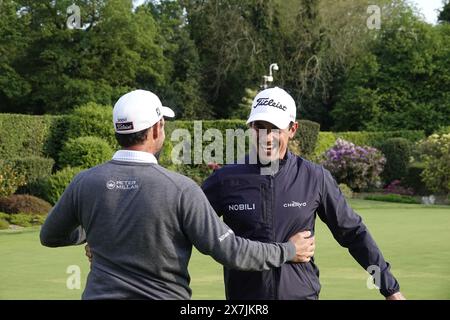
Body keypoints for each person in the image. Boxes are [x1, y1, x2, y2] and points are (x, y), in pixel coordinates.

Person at [40, 89, 314, 300]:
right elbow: (230, 251)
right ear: (158, 128)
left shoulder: (84, 182)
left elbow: (50, 236)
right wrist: (288, 250)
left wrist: (92, 236)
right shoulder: (181, 189)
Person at [202, 86, 406, 300]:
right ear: (250, 128)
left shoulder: (314, 177)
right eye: (259, 127)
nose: (267, 137)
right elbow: (187, 226)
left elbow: (353, 233)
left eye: (275, 128)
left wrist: (390, 289)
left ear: (293, 129)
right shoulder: (224, 180)